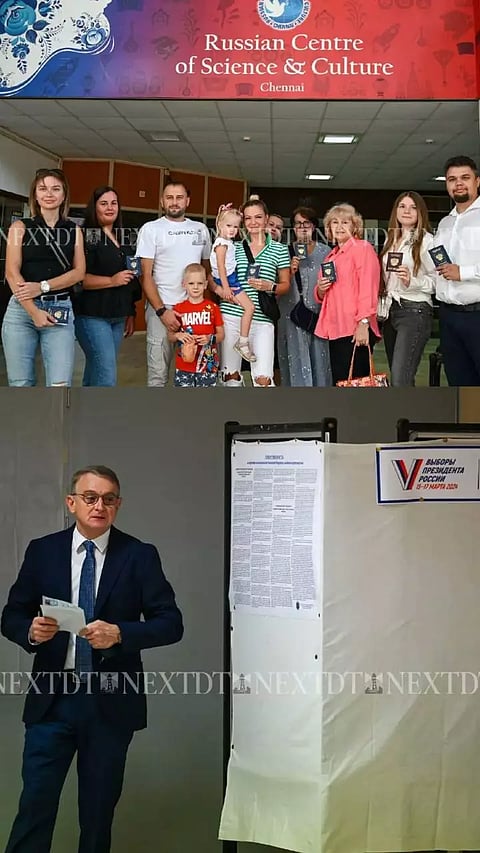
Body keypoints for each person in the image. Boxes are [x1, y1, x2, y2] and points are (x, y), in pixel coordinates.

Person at [1, 465, 183, 853]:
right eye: (90, 497)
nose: (99, 506)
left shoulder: (139, 556)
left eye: (108, 499)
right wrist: (30, 631)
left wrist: (121, 633)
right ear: (72, 503)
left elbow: (171, 624)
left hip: (109, 704)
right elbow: (11, 615)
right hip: (52, 701)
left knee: (97, 818)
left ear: (118, 505)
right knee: (34, 807)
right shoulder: (43, 551)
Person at [1, 168, 85, 387]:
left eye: (55, 189)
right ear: (35, 195)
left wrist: (43, 286)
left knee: (60, 384)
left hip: (59, 309)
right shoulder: (20, 227)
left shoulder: (74, 230)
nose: (49, 194)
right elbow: (11, 272)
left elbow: (79, 272)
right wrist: (33, 311)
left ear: (64, 195)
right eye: (43, 188)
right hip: (21, 311)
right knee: (21, 383)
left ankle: (56, 414)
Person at [136, 181, 212, 386]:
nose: (174, 202)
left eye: (179, 197)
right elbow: (145, 275)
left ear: (187, 201)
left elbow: (207, 272)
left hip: (194, 310)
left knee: (194, 373)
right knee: (158, 375)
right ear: (162, 201)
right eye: (169, 197)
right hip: (162, 309)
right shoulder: (151, 229)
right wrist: (162, 311)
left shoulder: (200, 229)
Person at [215, 195, 290, 387]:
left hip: (262, 319)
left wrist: (270, 286)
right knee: (230, 378)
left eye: (258, 217)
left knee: (264, 380)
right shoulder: (232, 246)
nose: (253, 222)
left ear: (266, 218)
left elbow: (285, 285)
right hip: (231, 316)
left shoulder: (280, 250)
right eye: (248, 218)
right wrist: (221, 291)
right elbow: (212, 274)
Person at [72, 186, 142, 387]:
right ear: (94, 207)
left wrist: (131, 312)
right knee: (106, 375)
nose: (110, 208)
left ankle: (86, 407)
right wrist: (111, 280)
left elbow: (130, 277)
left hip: (118, 316)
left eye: (114, 203)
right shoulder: (88, 235)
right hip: (92, 315)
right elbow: (79, 278)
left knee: (96, 370)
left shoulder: (122, 236)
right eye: (104, 203)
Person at [314, 202, 381, 385]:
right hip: (335, 328)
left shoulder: (362, 248)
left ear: (354, 226)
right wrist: (320, 289)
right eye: (334, 222)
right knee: (342, 382)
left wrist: (363, 323)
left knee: (356, 383)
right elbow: (322, 295)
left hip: (354, 327)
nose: (339, 226)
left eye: (345, 222)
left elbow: (369, 286)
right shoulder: (331, 255)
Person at [380, 192, 436, 386]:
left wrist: (412, 281)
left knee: (400, 378)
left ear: (420, 212)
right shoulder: (391, 239)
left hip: (415, 310)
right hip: (390, 311)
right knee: (398, 377)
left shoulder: (428, 241)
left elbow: (438, 281)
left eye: (413, 207)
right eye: (402, 206)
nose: (407, 211)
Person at [434, 155, 480, 385]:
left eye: (465, 177)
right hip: (449, 317)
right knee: (459, 384)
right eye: (452, 179)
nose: (458, 183)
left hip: (477, 315)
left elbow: (457, 270)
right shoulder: (445, 223)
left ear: (477, 181)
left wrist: (463, 272)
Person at [277, 206, 332, 386]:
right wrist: (289, 271)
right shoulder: (284, 252)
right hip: (291, 316)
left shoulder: (326, 252)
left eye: (306, 223)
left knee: (319, 364)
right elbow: (276, 288)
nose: (302, 227)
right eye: (298, 223)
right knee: (295, 364)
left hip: (317, 317)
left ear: (314, 226)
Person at [210, 204, 255, 362]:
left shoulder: (227, 242)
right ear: (220, 225)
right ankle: (243, 342)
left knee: (244, 305)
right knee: (250, 307)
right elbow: (221, 266)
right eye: (229, 226)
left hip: (230, 278)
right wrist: (226, 288)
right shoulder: (221, 244)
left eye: (236, 227)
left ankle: (243, 340)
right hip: (228, 279)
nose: (233, 230)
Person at [169, 262, 225, 386]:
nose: (195, 287)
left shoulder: (213, 308)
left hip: (208, 366)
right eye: (191, 283)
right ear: (184, 284)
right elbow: (170, 336)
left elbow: (221, 335)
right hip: (184, 366)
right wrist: (178, 335)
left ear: (205, 285)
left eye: (199, 283)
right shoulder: (178, 309)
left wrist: (210, 338)